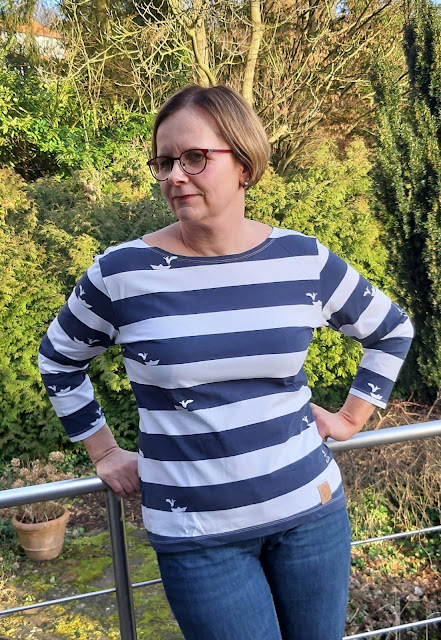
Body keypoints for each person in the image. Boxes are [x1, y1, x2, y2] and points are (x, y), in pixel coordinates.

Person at [39, 84, 414, 640]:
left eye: (194, 157)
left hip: (310, 516)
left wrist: (350, 419)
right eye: (164, 162)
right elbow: (58, 360)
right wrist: (104, 451)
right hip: (197, 538)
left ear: (243, 162)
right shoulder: (122, 273)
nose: (175, 176)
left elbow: (391, 330)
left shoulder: (302, 259)